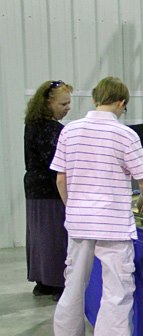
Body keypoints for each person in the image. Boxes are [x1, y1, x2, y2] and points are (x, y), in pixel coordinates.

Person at [50, 76, 143, 336]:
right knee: (116, 292)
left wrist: (74, 208)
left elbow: (60, 180)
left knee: (73, 285)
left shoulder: (69, 131)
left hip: (79, 222)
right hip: (113, 224)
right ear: (121, 102)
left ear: (96, 98)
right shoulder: (125, 135)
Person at [24, 80, 73, 299]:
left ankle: (42, 281)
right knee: (55, 235)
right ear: (48, 103)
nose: (67, 108)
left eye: (68, 103)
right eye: (63, 104)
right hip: (51, 190)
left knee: (38, 236)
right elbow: (57, 163)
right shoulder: (53, 130)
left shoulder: (31, 124)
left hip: (34, 188)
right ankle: (58, 282)